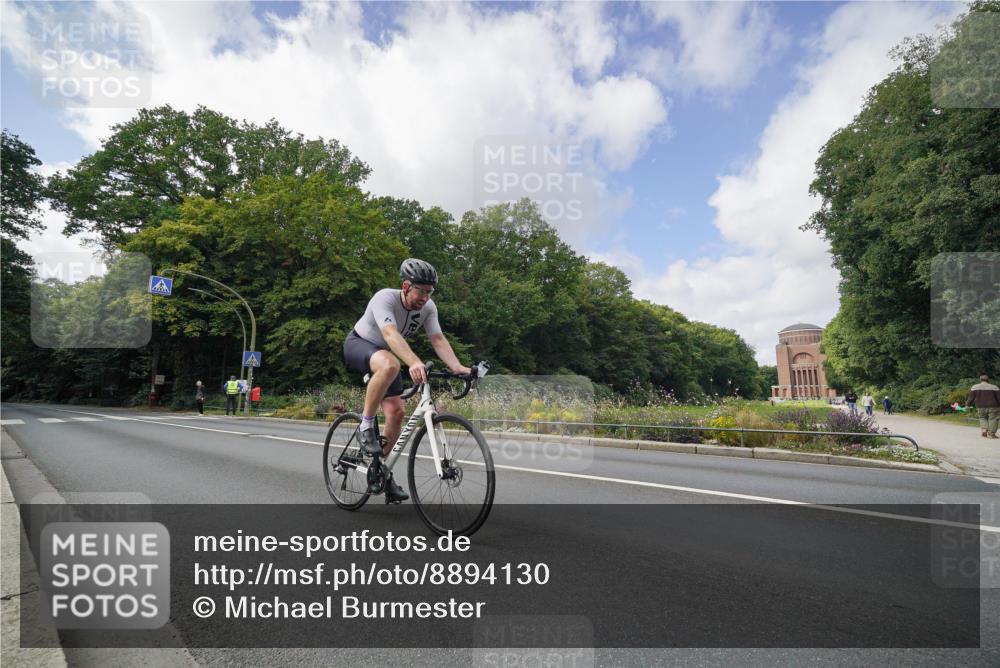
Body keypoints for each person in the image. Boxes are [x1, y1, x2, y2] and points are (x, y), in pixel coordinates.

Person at [343, 258, 471, 503]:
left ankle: (381, 470)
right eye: (420, 291)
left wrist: (456, 367)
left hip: (387, 355)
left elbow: (438, 339)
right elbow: (389, 334)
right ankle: (366, 425)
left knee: (397, 412)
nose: (424, 297)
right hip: (360, 344)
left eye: (429, 292)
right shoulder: (384, 298)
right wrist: (413, 361)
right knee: (391, 363)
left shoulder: (428, 308)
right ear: (405, 286)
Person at [967, 374, 1000, 439]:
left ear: (980, 380)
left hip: (981, 406)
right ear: (988, 380)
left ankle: (984, 430)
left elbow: (971, 398)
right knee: (993, 419)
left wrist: (968, 405)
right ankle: (991, 434)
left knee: (982, 417)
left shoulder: (975, 387)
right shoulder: (995, 387)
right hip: (993, 406)